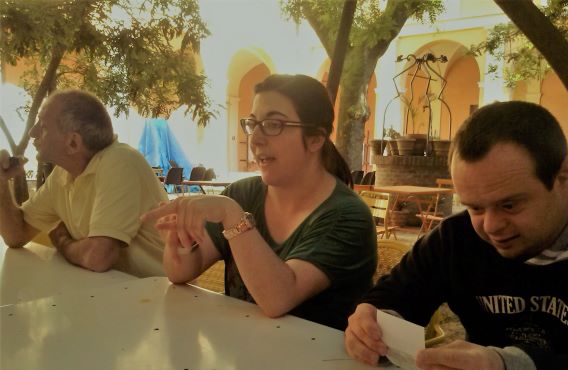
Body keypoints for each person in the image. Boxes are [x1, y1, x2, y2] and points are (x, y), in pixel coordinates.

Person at [345, 101, 568, 370]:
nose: (491, 226)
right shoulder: (456, 238)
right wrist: (371, 325)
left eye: (510, 205)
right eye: (475, 208)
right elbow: (394, 296)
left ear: (562, 174)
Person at [142, 74, 377, 330]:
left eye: (273, 124)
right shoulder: (243, 194)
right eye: (253, 124)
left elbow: (278, 299)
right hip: (244, 351)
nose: (255, 139)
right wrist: (180, 240)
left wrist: (233, 216)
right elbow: (182, 272)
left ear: (315, 139)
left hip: (317, 355)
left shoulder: (347, 215)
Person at [0, 89, 167, 277]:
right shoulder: (62, 175)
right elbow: (16, 235)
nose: (32, 132)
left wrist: (62, 241)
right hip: (113, 288)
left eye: (43, 126)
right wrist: (1, 182)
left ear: (73, 143)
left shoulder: (120, 162)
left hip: (163, 291)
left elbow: (98, 257)